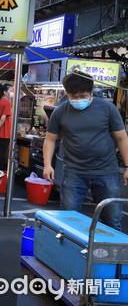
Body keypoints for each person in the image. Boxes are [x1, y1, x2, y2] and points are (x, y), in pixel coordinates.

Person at [44, 72, 128, 231]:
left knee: (112, 221)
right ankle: (70, 254)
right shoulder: (60, 111)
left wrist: (127, 166)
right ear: (67, 93)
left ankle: (107, 255)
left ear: (91, 92)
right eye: (73, 96)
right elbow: (50, 139)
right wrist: (48, 165)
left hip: (106, 171)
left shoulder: (107, 108)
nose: (77, 100)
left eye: (82, 96)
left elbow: (122, 138)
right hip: (74, 172)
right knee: (68, 221)